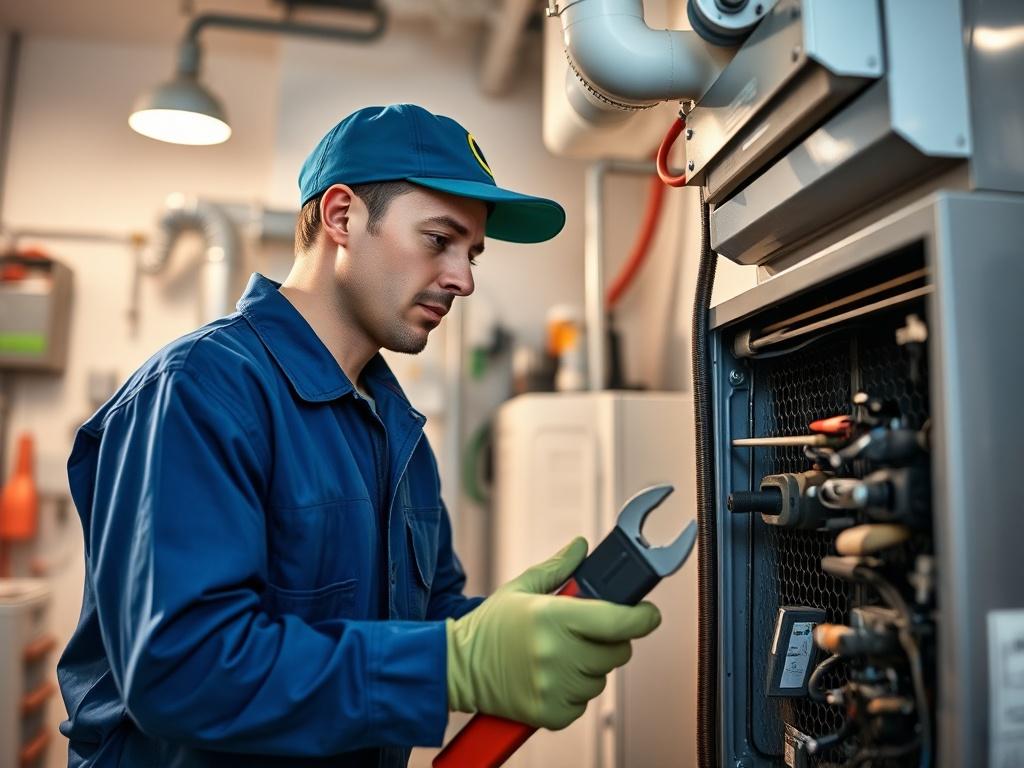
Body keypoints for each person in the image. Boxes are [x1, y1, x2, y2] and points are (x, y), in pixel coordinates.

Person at [57, 104, 662, 767]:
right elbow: (183, 668)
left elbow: (412, 622)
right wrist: (450, 664)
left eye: (472, 253)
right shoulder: (200, 392)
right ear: (342, 216)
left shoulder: (397, 433)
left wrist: (500, 628)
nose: (463, 279)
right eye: (439, 239)